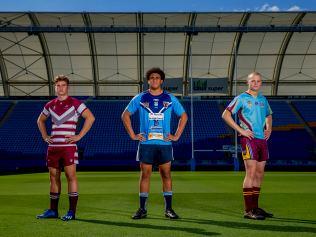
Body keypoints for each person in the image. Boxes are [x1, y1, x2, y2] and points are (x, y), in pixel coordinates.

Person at [122, 67, 188, 219]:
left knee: (166, 174)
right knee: (145, 174)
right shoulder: (140, 98)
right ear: (148, 80)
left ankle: (169, 209)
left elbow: (183, 116)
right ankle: (142, 209)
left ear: (162, 81)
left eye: (157, 78)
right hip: (146, 143)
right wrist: (133, 135)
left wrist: (176, 135)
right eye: (151, 77)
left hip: (165, 144)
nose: (154, 80)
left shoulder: (170, 98)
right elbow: (125, 115)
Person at [36, 75, 95, 221]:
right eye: (58, 85)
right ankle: (53, 210)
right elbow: (40, 120)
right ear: (55, 87)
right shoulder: (50, 105)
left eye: (63, 85)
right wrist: (45, 136)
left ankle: (71, 212)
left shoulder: (75, 103)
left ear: (67, 87)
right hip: (53, 147)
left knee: (70, 177)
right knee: (53, 178)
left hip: (68, 147)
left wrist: (79, 135)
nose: (60, 88)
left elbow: (90, 117)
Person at [222, 72, 273, 220]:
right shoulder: (241, 98)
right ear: (248, 82)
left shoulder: (263, 99)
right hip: (248, 139)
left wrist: (268, 128)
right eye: (253, 81)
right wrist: (241, 131)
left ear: (261, 83)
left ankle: (255, 208)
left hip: (262, 140)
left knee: (259, 173)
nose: (256, 83)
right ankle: (248, 210)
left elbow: (268, 115)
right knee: (250, 173)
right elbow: (226, 114)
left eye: (258, 81)